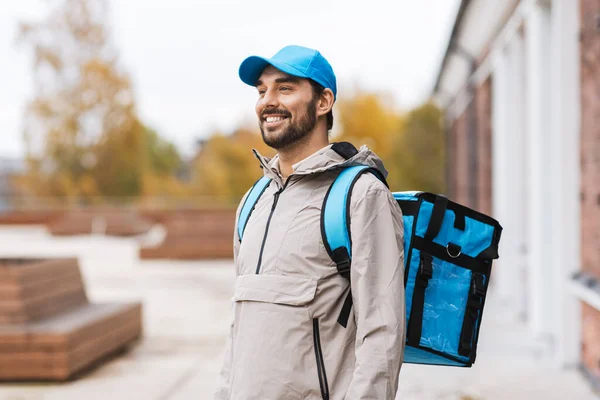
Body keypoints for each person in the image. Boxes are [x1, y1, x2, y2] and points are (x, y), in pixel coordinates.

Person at [214, 45, 405, 400]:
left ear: (323, 102)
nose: (267, 101)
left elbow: (383, 335)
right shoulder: (253, 200)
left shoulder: (361, 195)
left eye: (285, 89)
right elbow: (239, 327)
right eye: (261, 91)